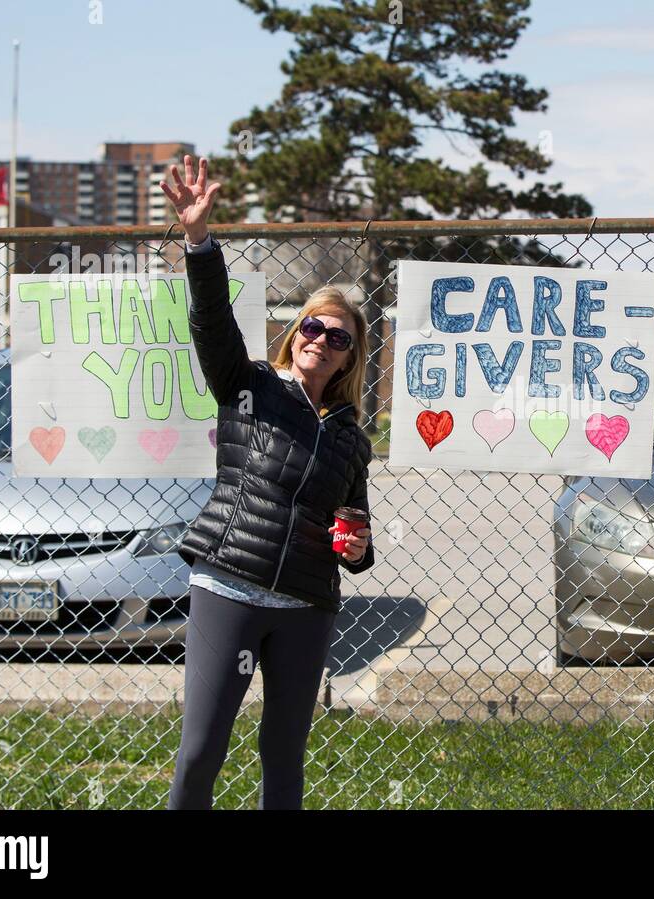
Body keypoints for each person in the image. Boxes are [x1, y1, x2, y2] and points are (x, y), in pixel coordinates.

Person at [160, 155, 376, 809]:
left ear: (347, 356)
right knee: (201, 750)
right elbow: (211, 320)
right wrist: (199, 241)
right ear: (296, 332)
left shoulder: (351, 437)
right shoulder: (247, 383)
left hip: (306, 606)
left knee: (283, 760)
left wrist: (359, 548)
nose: (320, 339)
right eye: (312, 325)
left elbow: (357, 527)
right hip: (228, 583)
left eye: (337, 336)